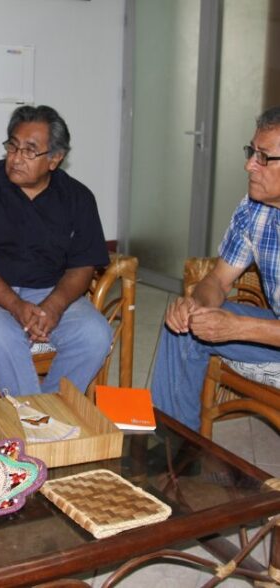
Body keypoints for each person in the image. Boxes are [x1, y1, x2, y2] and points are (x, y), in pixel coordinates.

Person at [0, 105, 112, 396]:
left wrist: (54, 306)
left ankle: (51, 408)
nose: (16, 158)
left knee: (95, 334)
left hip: (50, 292)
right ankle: (32, 417)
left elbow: (83, 265)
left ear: (55, 158)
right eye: (13, 146)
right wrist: (15, 305)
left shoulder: (78, 198)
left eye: (29, 151)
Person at [152, 105, 280, 431]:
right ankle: (176, 446)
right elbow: (219, 280)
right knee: (184, 328)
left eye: (264, 157)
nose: (249, 165)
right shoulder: (254, 209)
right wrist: (196, 305)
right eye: (251, 152)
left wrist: (240, 328)